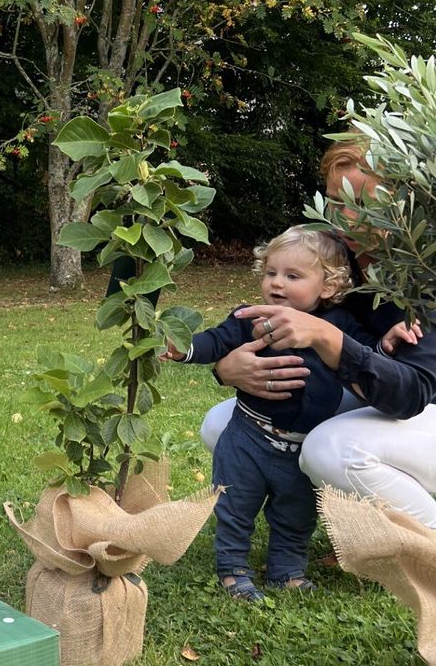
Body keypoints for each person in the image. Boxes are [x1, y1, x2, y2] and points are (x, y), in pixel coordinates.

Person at [201, 139, 436, 533]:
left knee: (331, 448)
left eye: (364, 203)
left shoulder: (424, 268)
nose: (346, 219)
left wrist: (330, 338)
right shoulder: (331, 254)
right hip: (374, 398)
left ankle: (426, 544)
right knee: (220, 424)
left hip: (423, 412)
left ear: (404, 202)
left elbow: (412, 396)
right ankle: (345, 527)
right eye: (336, 202)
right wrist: (227, 368)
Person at [164, 226, 408, 600]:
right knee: (236, 507)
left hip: (301, 446)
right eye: (271, 272)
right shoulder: (253, 318)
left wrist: (386, 343)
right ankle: (232, 570)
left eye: (293, 276)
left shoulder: (339, 325)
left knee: (296, 516)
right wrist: (184, 349)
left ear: (328, 286)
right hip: (248, 437)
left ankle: (287, 571)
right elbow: (216, 340)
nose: (277, 283)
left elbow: (363, 355)